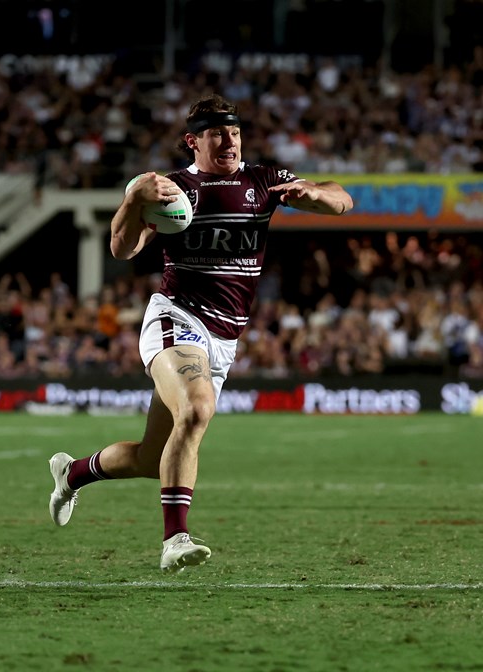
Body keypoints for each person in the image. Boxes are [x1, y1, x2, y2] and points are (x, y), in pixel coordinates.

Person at [48, 94, 353, 572]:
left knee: (151, 459)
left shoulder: (263, 180)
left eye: (235, 132)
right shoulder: (173, 191)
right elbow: (122, 249)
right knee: (197, 409)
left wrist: (315, 196)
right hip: (177, 317)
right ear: (193, 141)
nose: (229, 141)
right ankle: (175, 539)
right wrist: (133, 200)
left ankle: (72, 473)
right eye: (217, 134)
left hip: (224, 339)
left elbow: (342, 198)